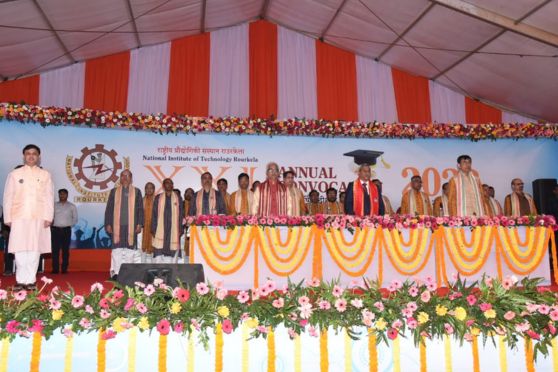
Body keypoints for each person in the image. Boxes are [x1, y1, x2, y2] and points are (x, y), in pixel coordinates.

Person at [2, 144, 54, 290]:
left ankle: (30, 281)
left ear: (38, 157)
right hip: (18, 216)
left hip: (38, 217)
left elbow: (49, 197)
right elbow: (8, 198)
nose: (31, 156)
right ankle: (20, 280)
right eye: (28, 153)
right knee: (19, 250)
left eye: (34, 154)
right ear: (24, 156)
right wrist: (8, 218)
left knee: (34, 250)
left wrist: (48, 217)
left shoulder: (45, 175)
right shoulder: (14, 174)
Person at [104, 169, 144, 279]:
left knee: (130, 251)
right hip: (117, 227)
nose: (125, 178)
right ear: (120, 179)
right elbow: (109, 209)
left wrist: (140, 223)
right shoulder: (114, 191)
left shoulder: (137, 191)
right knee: (116, 251)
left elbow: (140, 209)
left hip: (131, 226)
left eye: (127, 176)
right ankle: (117, 274)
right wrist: (108, 224)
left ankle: (128, 274)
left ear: (131, 178)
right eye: (122, 176)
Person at [151, 178, 184, 263]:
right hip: (160, 228)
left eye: (171, 183)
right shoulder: (158, 198)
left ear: (173, 186)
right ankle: (158, 272)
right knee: (159, 250)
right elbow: (154, 214)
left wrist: (180, 229)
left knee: (173, 250)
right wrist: (153, 228)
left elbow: (181, 214)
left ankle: (173, 269)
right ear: (163, 186)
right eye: (167, 183)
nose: (169, 185)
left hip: (174, 229)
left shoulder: (178, 198)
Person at [51, 189, 78, 274]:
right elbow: (50, 216)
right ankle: (55, 269)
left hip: (66, 230)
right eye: (60, 194)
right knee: (55, 250)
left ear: (67, 195)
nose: (62, 196)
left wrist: (68, 225)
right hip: (55, 230)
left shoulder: (72, 206)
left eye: (64, 194)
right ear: (58, 195)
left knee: (65, 250)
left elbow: (75, 218)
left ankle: (64, 269)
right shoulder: (54, 205)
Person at [141, 182, 156, 263]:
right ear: (145, 190)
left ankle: (153, 269)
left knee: (154, 249)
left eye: (151, 188)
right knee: (142, 249)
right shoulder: (141, 200)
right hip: (143, 228)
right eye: (147, 188)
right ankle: (142, 268)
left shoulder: (157, 201)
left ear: (154, 190)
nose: (149, 190)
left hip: (154, 228)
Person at [0, 205, 14, 276]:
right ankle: (8, 269)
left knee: (22, 251)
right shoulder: (8, 200)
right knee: (8, 250)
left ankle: (21, 270)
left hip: (22, 230)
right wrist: (3, 230)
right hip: (9, 230)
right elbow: (4, 216)